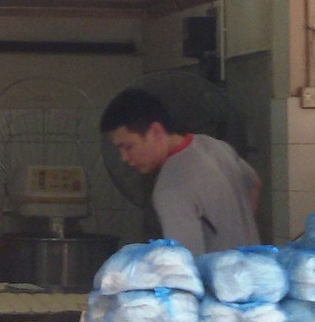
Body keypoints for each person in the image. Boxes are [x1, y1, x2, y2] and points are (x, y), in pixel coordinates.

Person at [99, 88, 260, 256]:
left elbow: (184, 267)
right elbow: (254, 182)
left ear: (155, 132)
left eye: (128, 147)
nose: (124, 158)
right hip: (257, 272)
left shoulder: (171, 186)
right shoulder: (215, 146)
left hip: (219, 281)